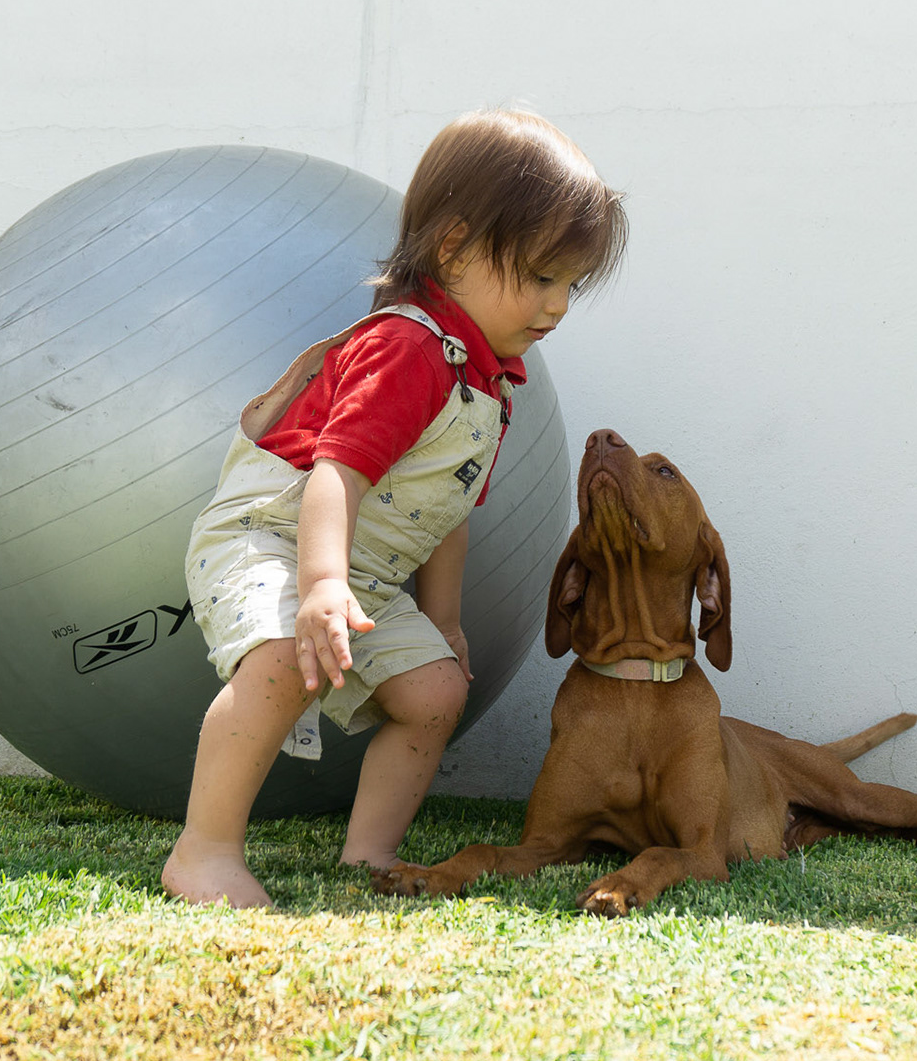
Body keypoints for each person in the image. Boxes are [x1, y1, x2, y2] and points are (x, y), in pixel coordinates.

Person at [162, 108, 627, 907]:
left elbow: (449, 514)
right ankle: (202, 853)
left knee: (435, 692)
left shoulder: (488, 382)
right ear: (452, 247)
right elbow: (335, 473)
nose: (555, 307)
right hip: (274, 539)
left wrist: (444, 621)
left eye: (570, 286)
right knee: (281, 663)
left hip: (362, 574)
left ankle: (368, 858)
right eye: (541, 276)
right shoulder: (409, 349)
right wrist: (317, 587)